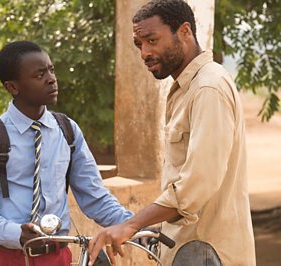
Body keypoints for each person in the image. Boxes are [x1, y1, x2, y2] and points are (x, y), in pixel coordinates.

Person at [88, 1, 256, 265]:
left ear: (185, 31)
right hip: (186, 246)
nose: (144, 52)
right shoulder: (184, 88)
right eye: (139, 44)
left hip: (206, 250)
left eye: (152, 40)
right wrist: (158, 226)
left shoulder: (208, 88)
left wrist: (132, 224)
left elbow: (196, 183)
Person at [0, 40, 132, 266]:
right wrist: (16, 233)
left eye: (51, 70)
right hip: (4, 257)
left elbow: (95, 197)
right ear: (12, 87)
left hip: (57, 257)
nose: (52, 79)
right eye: (39, 75)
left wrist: (135, 223)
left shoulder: (68, 131)